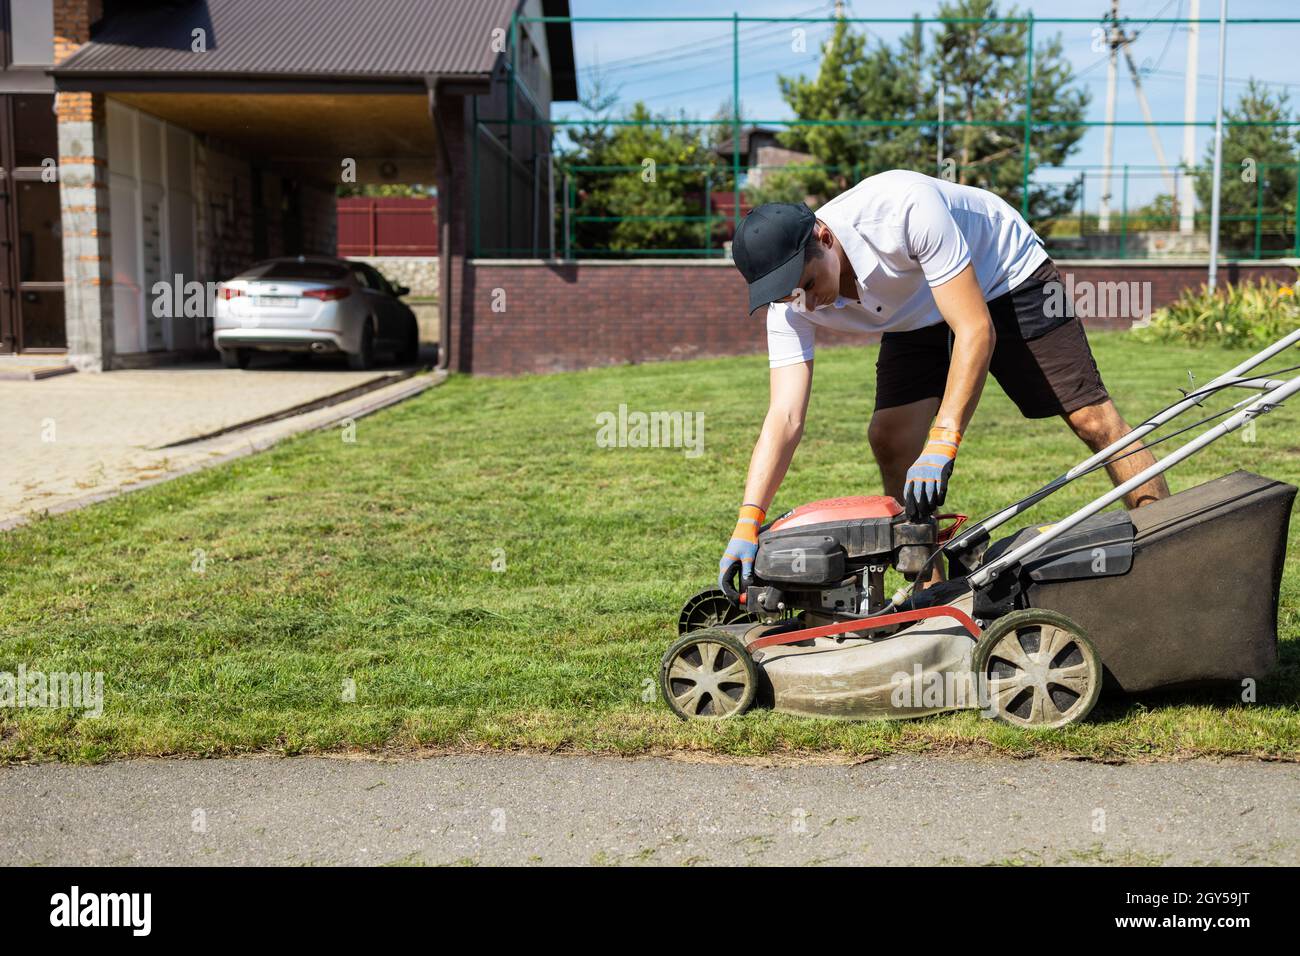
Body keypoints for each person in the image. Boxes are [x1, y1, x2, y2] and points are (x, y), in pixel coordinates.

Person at [719, 169, 1168, 595]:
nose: (805, 303)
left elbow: (976, 330)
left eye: (808, 283)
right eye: (789, 294)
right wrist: (748, 518)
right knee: (891, 437)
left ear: (824, 236)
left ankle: (1168, 540)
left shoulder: (902, 208)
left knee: (1091, 417)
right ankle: (930, 589)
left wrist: (943, 440)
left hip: (1004, 273)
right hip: (915, 310)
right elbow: (786, 415)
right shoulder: (790, 301)